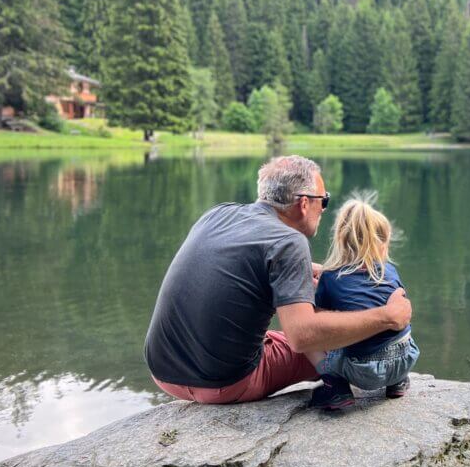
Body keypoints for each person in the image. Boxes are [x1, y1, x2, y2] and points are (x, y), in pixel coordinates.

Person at [143, 155, 411, 404]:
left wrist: (307, 270)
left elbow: (246, 258)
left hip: (163, 370)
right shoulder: (289, 241)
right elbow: (302, 337)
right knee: (340, 347)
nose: (324, 209)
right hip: (224, 383)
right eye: (324, 200)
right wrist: (387, 316)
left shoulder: (218, 214)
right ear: (304, 203)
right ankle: (339, 389)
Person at [307, 195, 419, 410]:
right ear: (382, 241)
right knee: (389, 336)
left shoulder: (330, 277)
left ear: (340, 238)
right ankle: (397, 382)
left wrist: (316, 290)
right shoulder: (390, 271)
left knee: (308, 336)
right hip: (405, 360)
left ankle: (336, 386)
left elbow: (319, 323)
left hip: (362, 372)